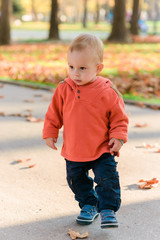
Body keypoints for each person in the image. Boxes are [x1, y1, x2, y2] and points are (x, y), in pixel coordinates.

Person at [43, 33, 129, 229]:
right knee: (76, 181)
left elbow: (119, 117)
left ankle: (107, 209)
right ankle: (89, 204)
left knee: (107, 180)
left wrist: (118, 137)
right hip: (74, 150)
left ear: (98, 68)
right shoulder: (64, 88)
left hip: (101, 148)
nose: (75, 73)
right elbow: (54, 113)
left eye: (82, 68)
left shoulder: (107, 91)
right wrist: (50, 131)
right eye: (71, 67)